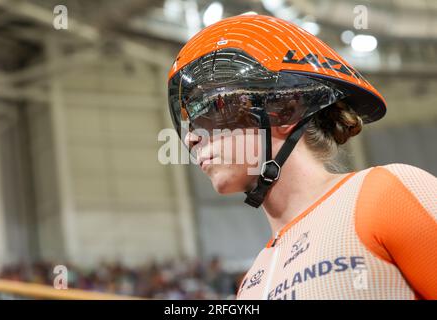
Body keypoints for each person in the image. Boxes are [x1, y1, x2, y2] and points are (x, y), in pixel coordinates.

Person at [167, 15, 437, 300]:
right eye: (189, 123)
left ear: (285, 110)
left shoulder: (385, 195)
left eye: (211, 108)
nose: (191, 137)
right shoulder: (251, 285)